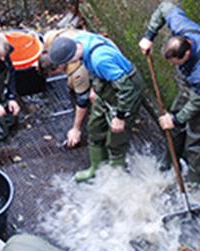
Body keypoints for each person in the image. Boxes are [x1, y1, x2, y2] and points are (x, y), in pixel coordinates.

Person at [139, 1, 200, 183]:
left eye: (175, 64)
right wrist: (149, 36)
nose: (173, 67)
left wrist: (175, 120)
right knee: (173, 120)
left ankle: (195, 184)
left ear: (187, 53)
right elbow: (164, 7)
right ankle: (169, 161)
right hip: (191, 80)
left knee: (198, 139)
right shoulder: (183, 29)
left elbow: (196, 104)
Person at [48, 31, 144, 182]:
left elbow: (126, 89)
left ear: (69, 60)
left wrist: (120, 117)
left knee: (116, 138)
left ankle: (116, 179)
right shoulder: (77, 41)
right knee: (94, 128)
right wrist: (95, 87)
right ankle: (96, 169)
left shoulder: (99, 60)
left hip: (125, 92)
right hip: (106, 87)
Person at [39, 28, 93, 149]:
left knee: (91, 96)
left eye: (54, 74)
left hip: (97, 58)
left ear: (59, 67)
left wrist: (76, 129)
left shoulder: (79, 72)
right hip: (84, 40)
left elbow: (82, 100)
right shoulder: (50, 38)